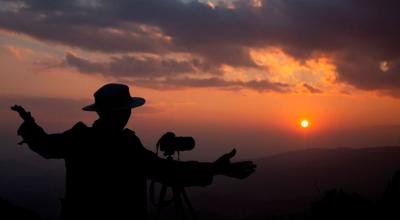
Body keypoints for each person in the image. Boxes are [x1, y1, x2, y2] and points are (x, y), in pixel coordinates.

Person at [11, 83, 256, 219]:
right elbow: (168, 171)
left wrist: (29, 123)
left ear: (98, 111)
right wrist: (217, 168)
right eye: (127, 109)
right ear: (124, 112)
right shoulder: (125, 146)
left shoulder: (79, 138)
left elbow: (45, 145)